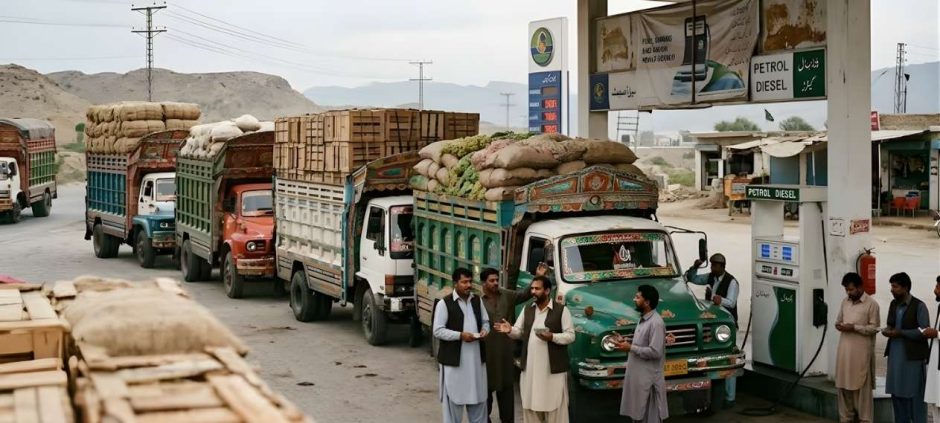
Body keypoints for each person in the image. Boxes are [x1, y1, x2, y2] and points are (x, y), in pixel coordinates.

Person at [493, 275, 575, 423]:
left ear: (547, 290)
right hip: (530, 369)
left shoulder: (561, 311)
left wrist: (552, 337)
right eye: (532, 288)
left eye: (537, 289)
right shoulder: (528, 309)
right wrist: (510, 330)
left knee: (555, 406)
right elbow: (518, 331)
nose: (533, 292)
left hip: (553, 371)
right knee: (531, 405)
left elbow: (570, 336)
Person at [433, 267, 491, 423]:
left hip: (476, 365)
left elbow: (486, 322)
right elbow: (437, 330)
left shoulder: (477, 301)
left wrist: (485, 330)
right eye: (464, 282)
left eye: (470, 281)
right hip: (454, 365)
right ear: (455, 283)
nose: (468, 285)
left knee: (479, 402)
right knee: (453, 406)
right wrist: (460, 335)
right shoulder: (444, 304)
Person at [481, 267, 536, 423]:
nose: (495, 283)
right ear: (483, 283)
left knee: (506, 388)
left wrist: (537, 277)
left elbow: (524, 294)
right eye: (491, 280)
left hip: (505, 352)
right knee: (485, 390)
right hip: (486, 352)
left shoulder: (506, 295)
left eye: (497, 280)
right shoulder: (477, 300)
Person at [685, 252, 739, 407]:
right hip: (712, 324)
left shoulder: (732, 282)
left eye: (715, 265)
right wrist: (695, 267)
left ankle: (730, 397)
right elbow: (692, 278)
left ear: (722, 266)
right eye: (711, 265)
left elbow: (731, 302)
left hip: (726, 326)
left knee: (729, 359)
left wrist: (719, 300)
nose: (712, 268)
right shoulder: (711, 277)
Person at [883, 272, 929, 423]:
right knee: (896, 393)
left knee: (914, 396)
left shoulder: (919, 306)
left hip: (912, 359)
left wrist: (901, 333)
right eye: (891, 286)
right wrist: (887, 330)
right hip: (895, 357)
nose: (892, 290)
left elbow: (924, 331)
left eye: (895, 287)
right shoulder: (893, 304)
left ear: (905, 288)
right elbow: (890, 324)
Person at [618, 285, 668, 423]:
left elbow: (655, 352)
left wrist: (630, 347)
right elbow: (641, 344)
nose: (634, 299)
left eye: (638, 297)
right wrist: (625, 342)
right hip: (639, 380)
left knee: (650, 417)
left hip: (649, 381)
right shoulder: (643, 319)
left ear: (647, 302)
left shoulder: (656, 323)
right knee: (639, 416)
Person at [834, 272, 881, 423]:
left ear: (860, 287)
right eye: (846, 290)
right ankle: (845, 418)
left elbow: (874, 328)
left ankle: (865, 419)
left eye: (851, 289)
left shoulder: (871, 304)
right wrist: (839, 326)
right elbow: (838, 321)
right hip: (844, 352)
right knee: (843, 386)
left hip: (861, 354)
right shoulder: (845, 302)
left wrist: (854, 327)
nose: (848, 292)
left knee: (862, 388)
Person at [921, 276, 940, 422]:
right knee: (935, 404)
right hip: (935, 363)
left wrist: (936, 333)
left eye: (938, 287)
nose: (935, 290)